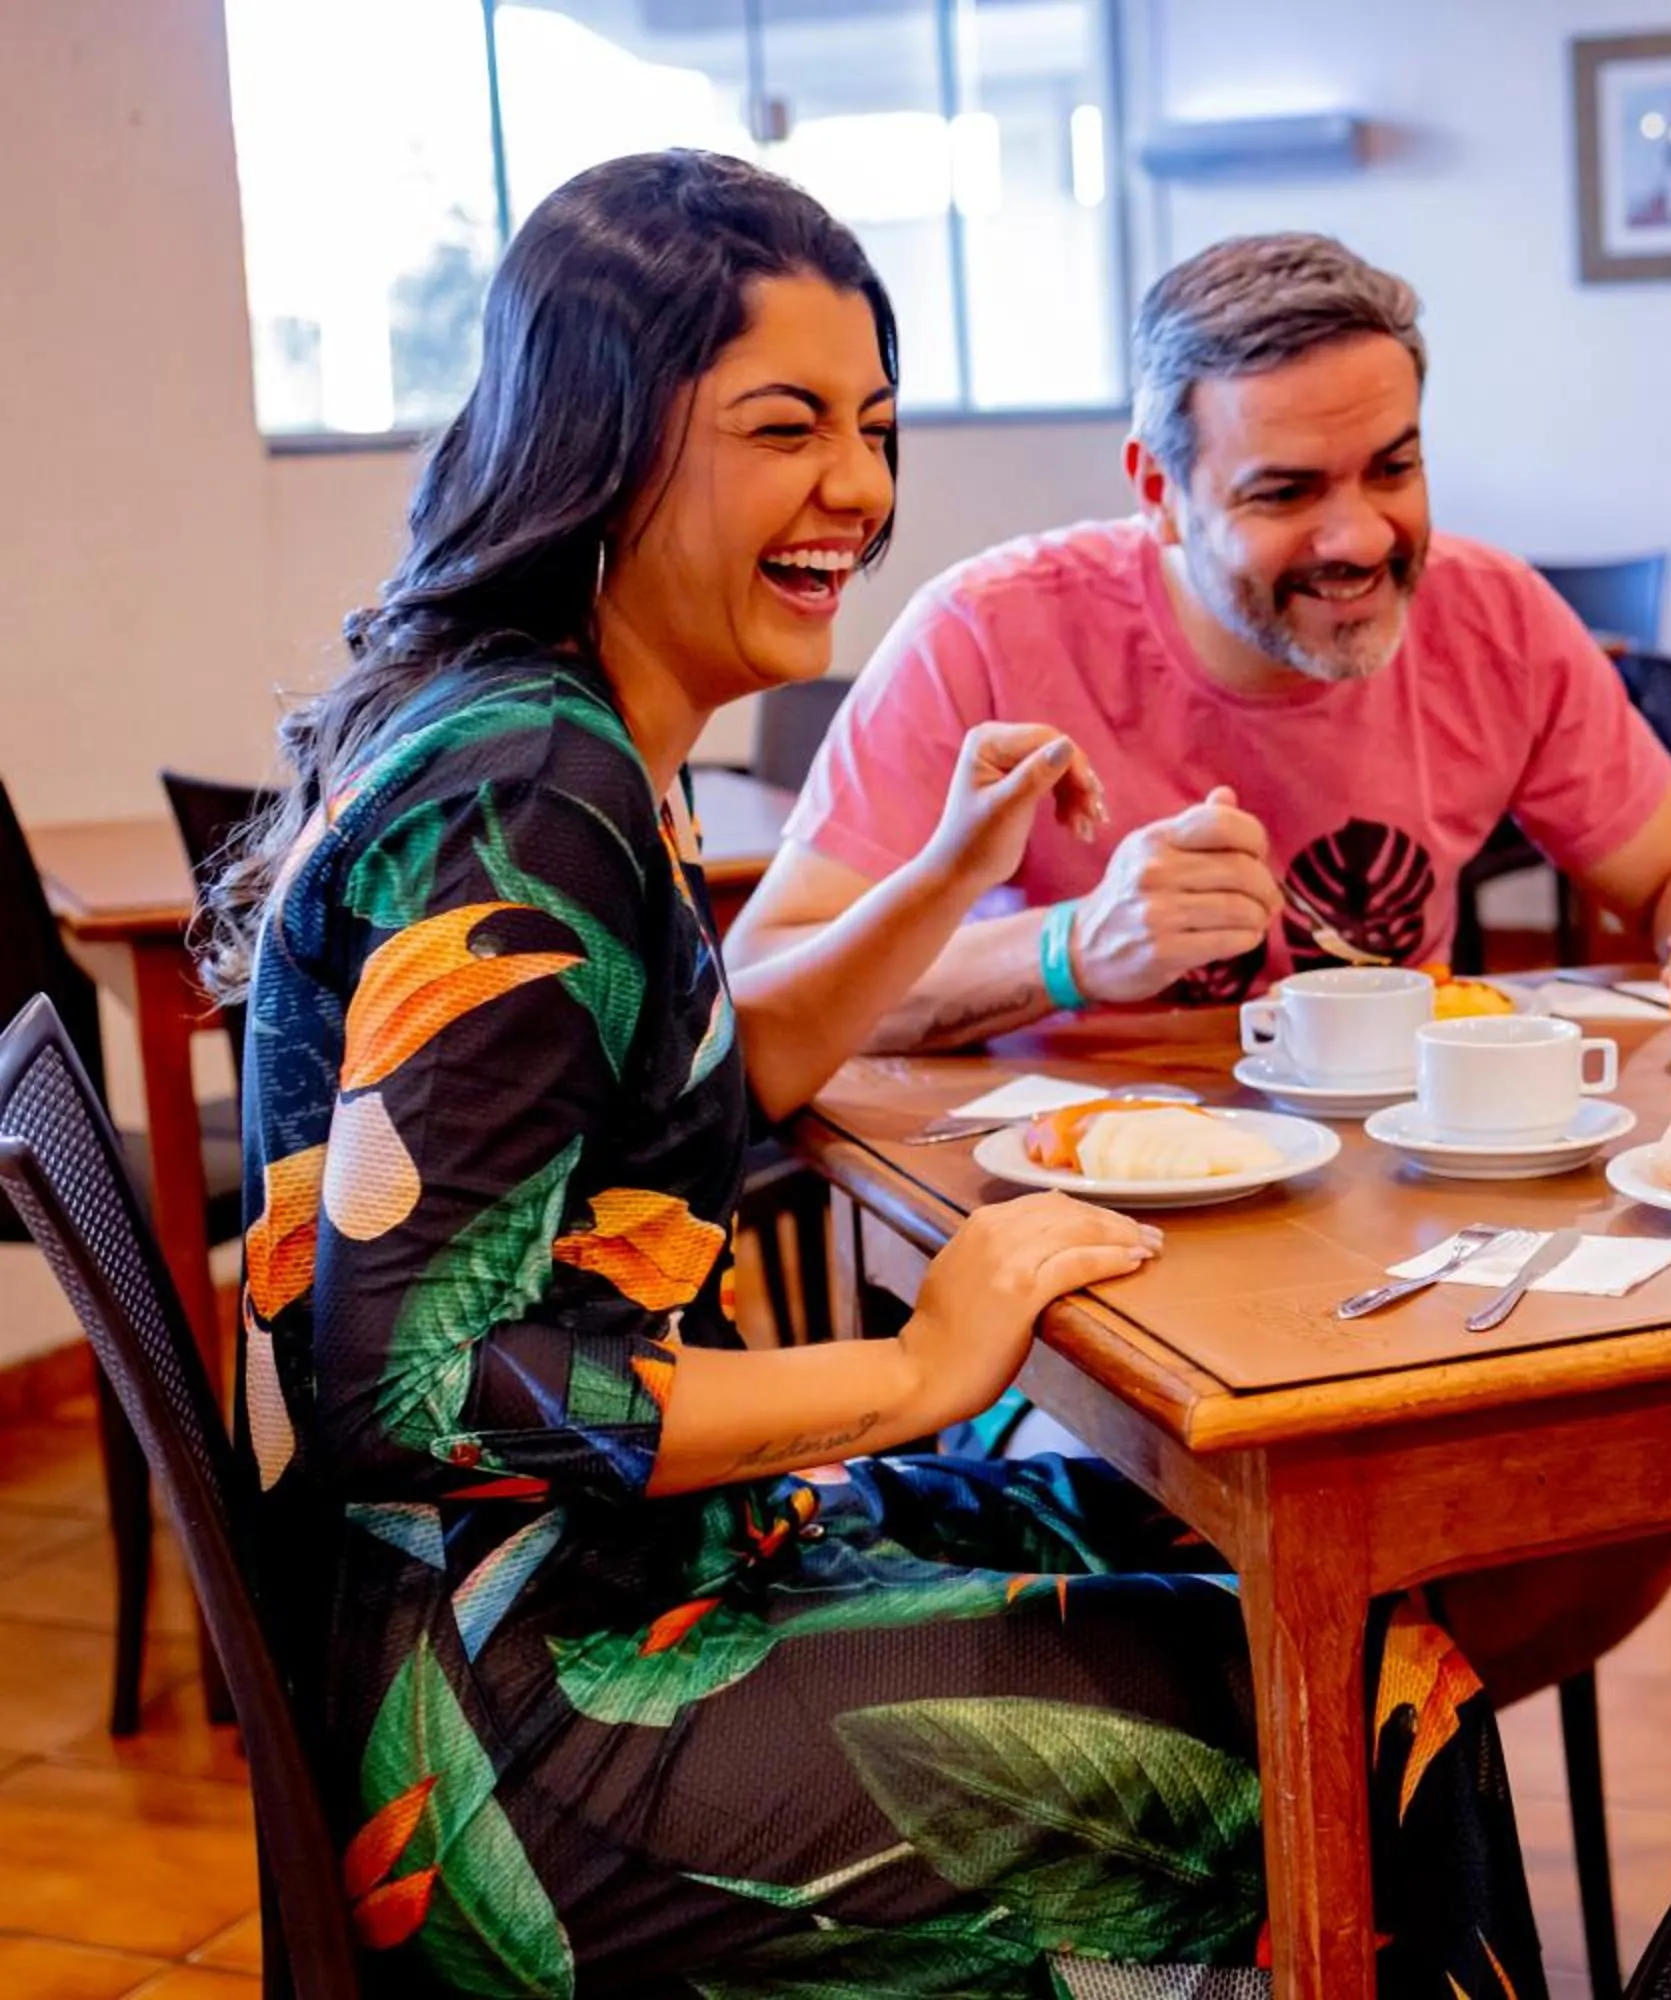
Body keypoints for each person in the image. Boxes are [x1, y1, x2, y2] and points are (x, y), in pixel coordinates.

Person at [210, 151, 1541, 1999]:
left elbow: (695, 1079)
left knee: (1312, 1590)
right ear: (606, 439)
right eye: (784, 427)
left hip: (591, 1599)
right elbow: (404, 1388)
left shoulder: (546, 727)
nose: (858, 488)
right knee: (1368, 1692)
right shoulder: (539, 792)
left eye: (873, 425)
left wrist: (938, 877)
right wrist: (921, 1368)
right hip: (538, 1725)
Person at [722, 228, 1671, 1054]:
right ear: (1159, 490)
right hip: (1063, 1227)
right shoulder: (985, 633)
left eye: (1393, 469)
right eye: (1286, 492)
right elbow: (767, 986)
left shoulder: (1493, 616)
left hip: (1409, 1204)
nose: (1359, 537)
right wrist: (1069, 950)